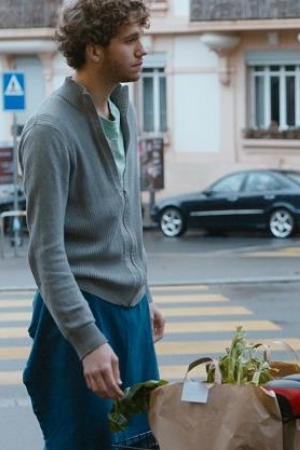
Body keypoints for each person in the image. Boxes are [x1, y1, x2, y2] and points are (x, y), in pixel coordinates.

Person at [18, 1, 165, 448]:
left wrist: (143, 292)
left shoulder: (123, 110)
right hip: (82, 314)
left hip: (129, 310)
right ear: (94, 49)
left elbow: (125, 221)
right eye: (131, 39)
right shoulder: (50, 129)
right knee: (87, 442)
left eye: (142, 36)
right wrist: (87, 340)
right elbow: (46, 252)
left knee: (142, 440)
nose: (144, 49)